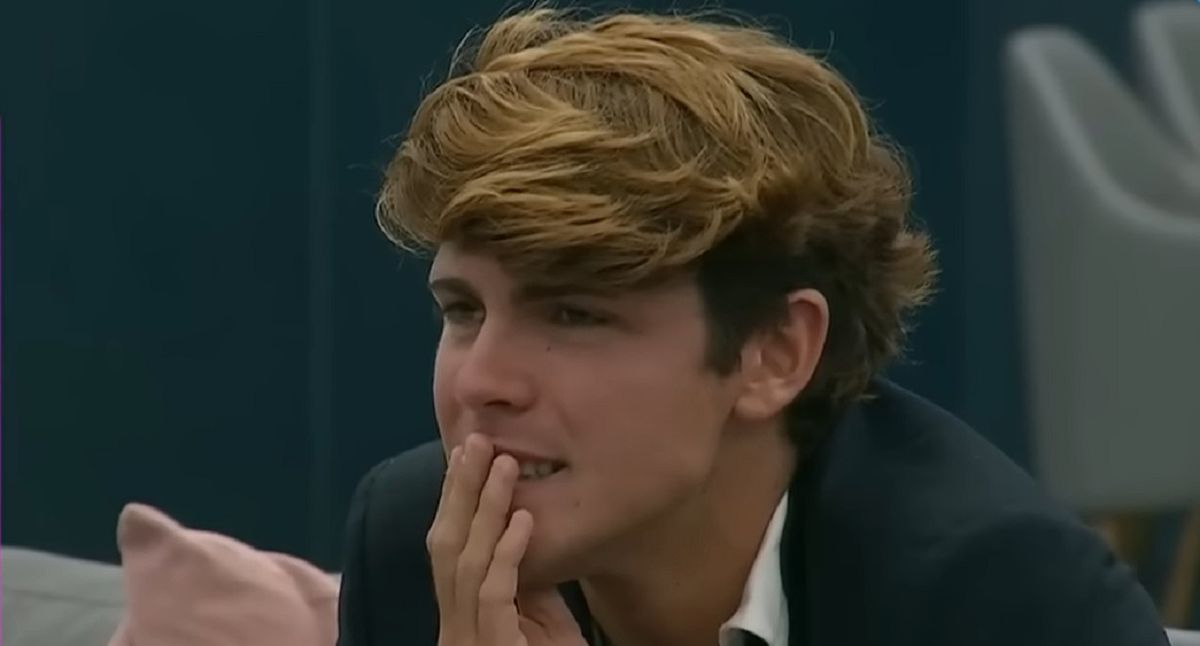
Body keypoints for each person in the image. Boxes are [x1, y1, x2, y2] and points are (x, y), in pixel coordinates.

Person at [336, 7, 1169, 646]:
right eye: (463, 311)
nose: (481, 381)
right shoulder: (419, 546)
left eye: (574, 314)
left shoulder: (992, 596)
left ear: (775, 352)